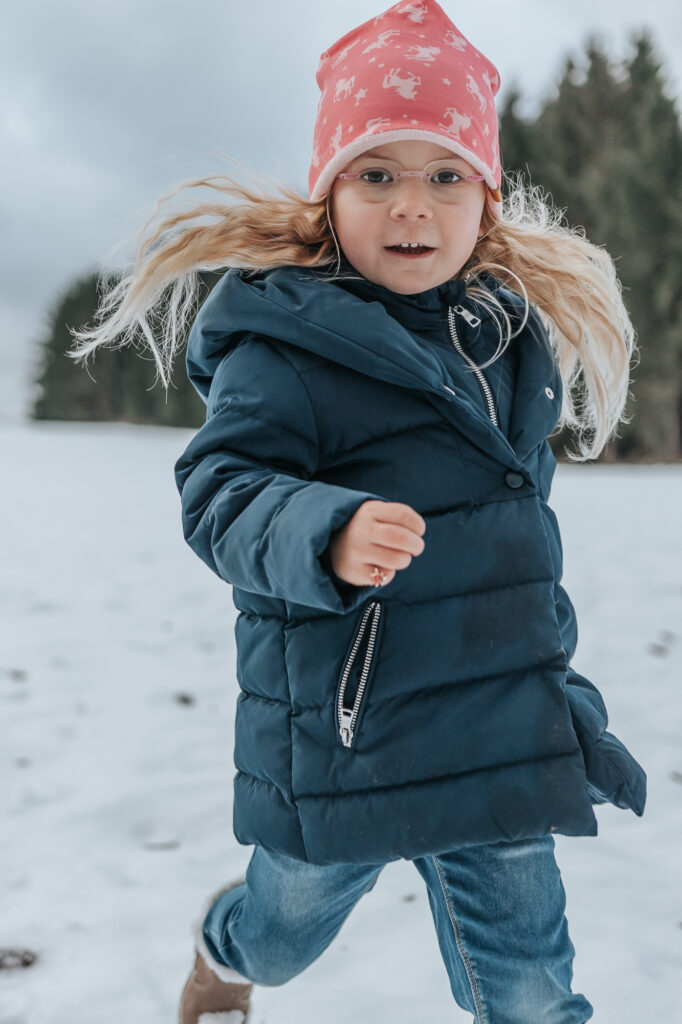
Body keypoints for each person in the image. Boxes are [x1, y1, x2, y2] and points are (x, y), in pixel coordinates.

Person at [69, 2, 648, 1021]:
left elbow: (511, 555)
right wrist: (322, 532)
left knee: (531, 992)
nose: (410, 208)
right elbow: (222, 490)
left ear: (487, 197)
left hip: (492, 740)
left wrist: (558, 698)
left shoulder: (504, 344)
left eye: (443, 174)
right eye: (376, 174)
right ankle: (222, 948)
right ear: (329, 193)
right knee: (281, 937)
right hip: (348, 738)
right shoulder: (287, 343)